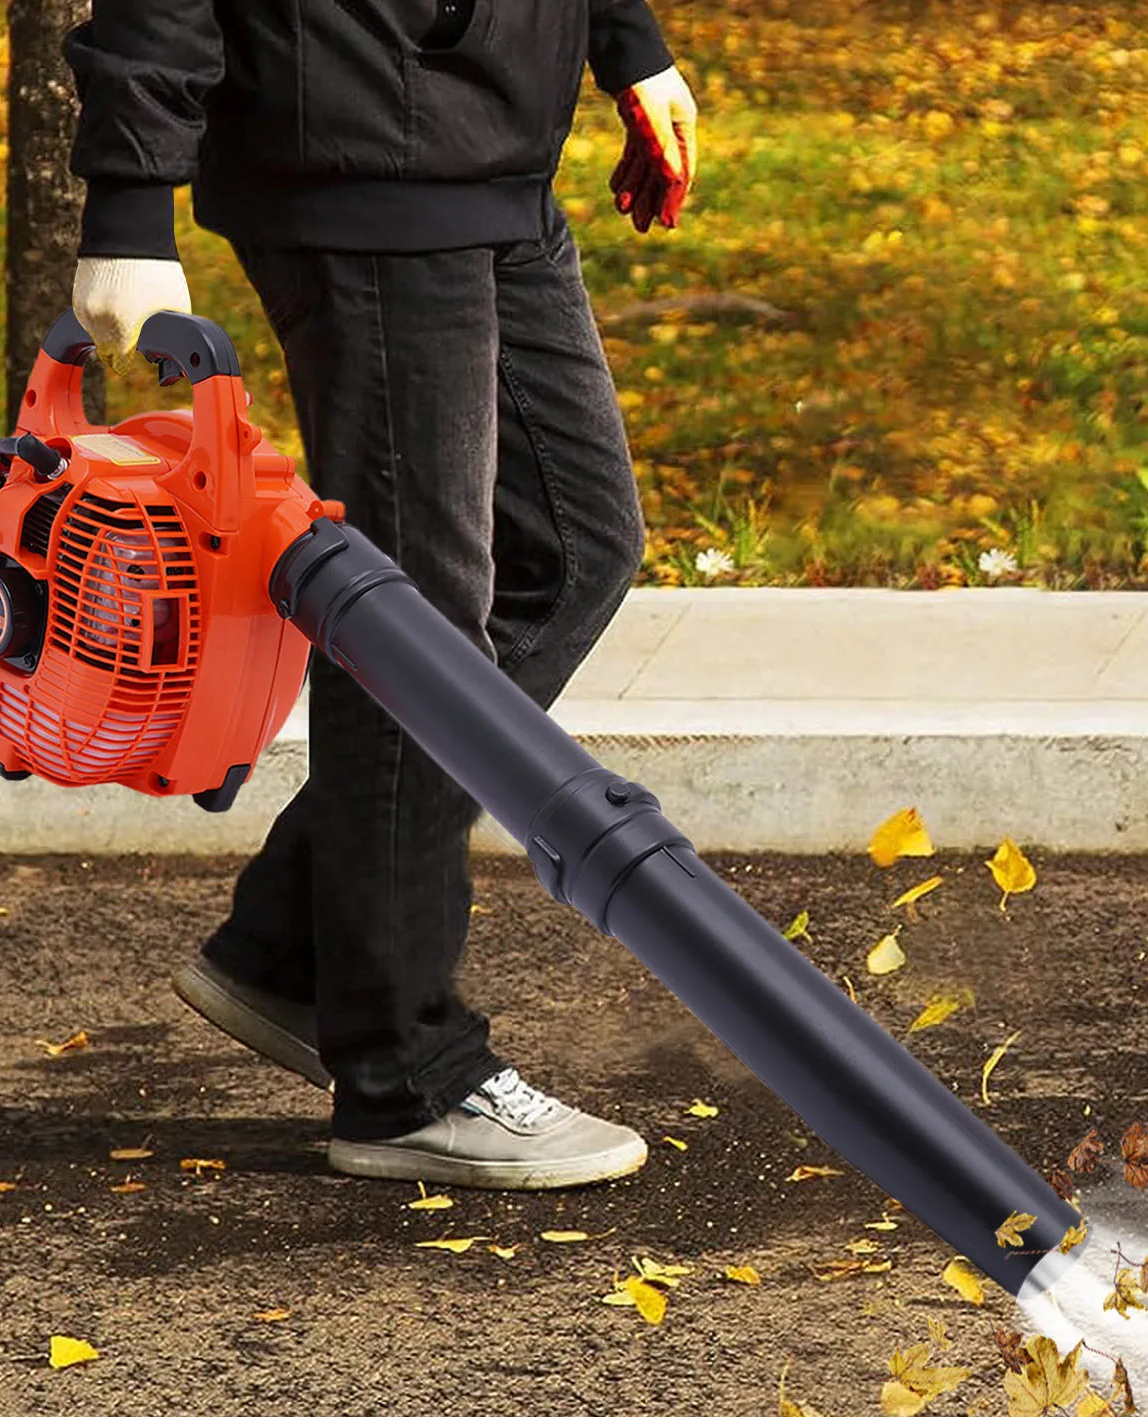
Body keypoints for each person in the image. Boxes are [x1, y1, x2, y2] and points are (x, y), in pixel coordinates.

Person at [62, 1, 698, 1192]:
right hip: (362, 142)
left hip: (494, 148)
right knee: (419, 620)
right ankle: (404, 1074)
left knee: (572, 554)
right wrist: (129, 198)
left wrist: (625, 41)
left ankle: (296, 945)